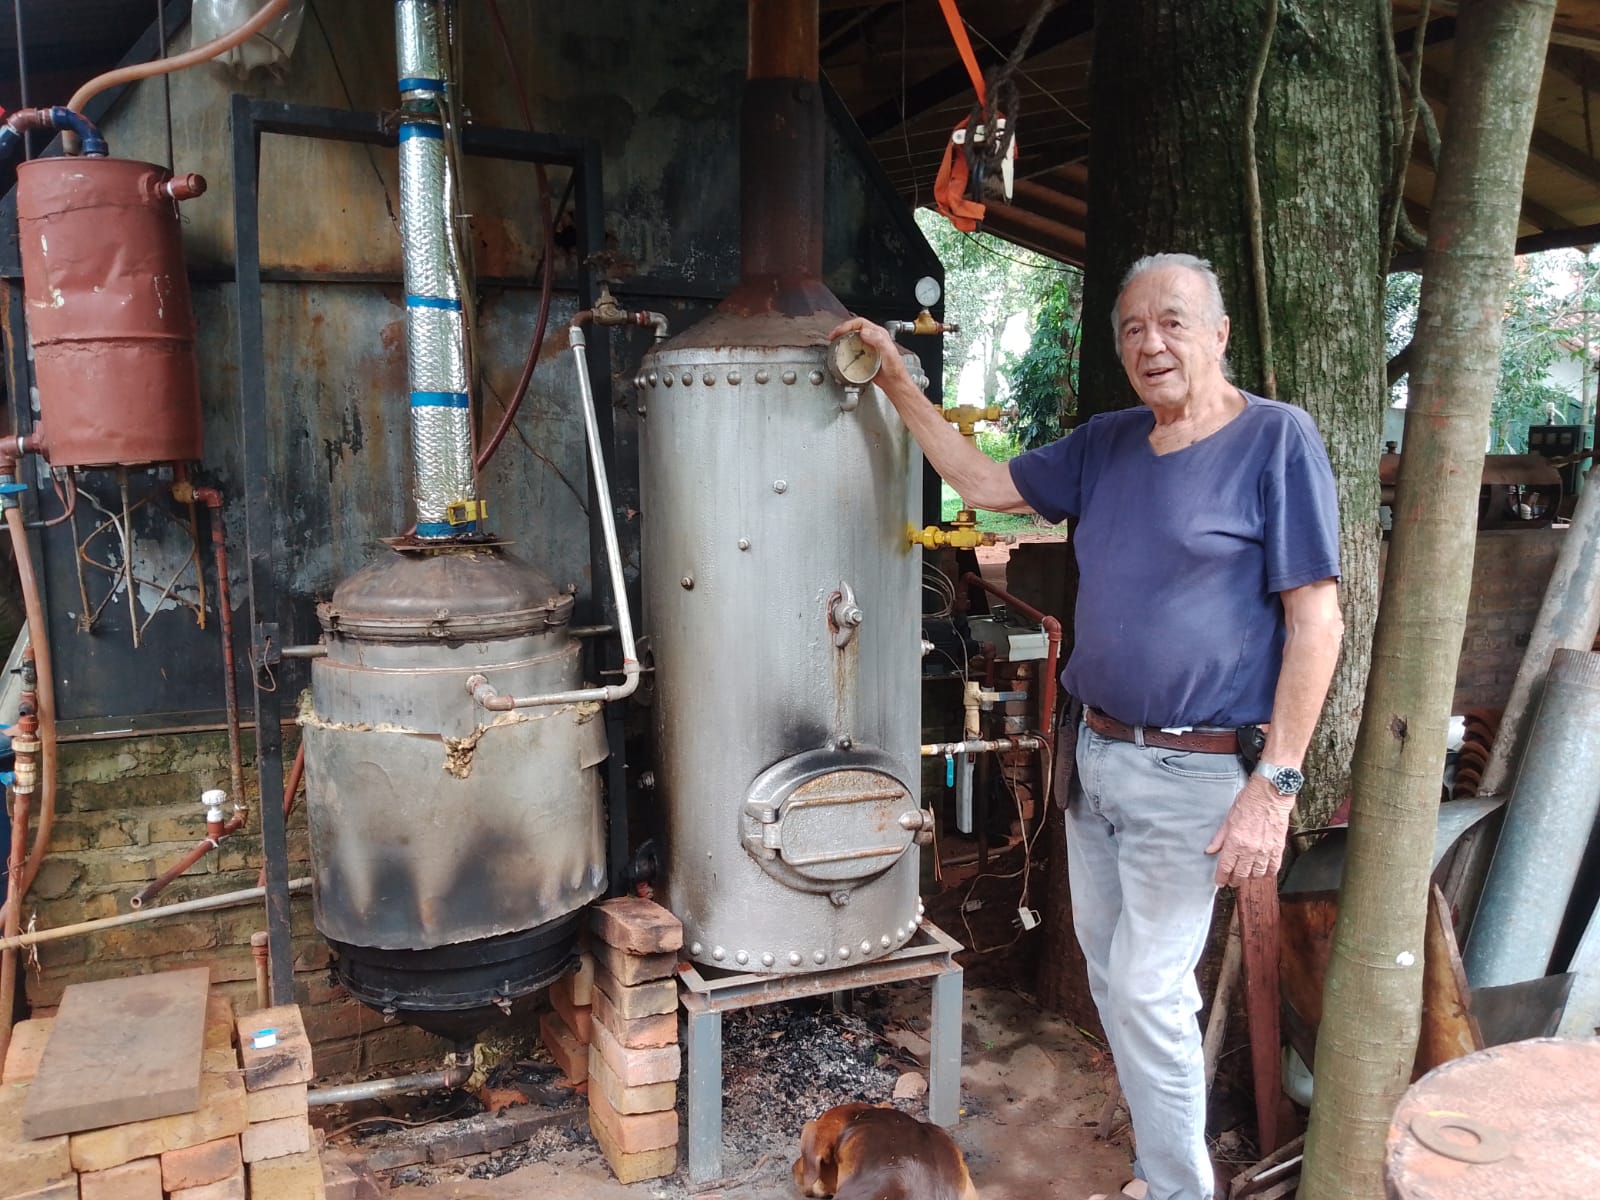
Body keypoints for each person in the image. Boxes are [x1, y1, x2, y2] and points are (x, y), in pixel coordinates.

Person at [831, 253, 1343, 1200]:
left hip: (1197, 774)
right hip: (1096, 756)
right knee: (1116, 985)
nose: (1152, 343)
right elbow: (982, 483)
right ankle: (1159, 1173)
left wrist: (1275, 787)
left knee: (1148, 991)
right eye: (1134, 329)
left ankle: (1184, 1191)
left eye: (1175, 322)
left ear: (1220, 334)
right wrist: (897, 379)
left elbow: (1318, 621)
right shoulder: (1108, 444)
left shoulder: (1276, 441)